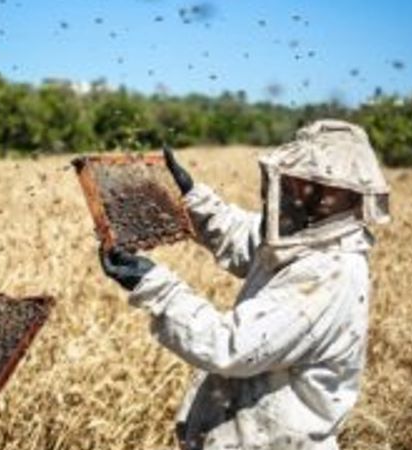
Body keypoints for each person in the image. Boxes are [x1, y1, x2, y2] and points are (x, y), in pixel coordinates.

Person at [101, 120, 391, 449]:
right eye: (302, 178)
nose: (302, 189)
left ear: (351, 193)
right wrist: (191, 197)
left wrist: (154, 285)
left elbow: (230, 347)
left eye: (320, 183)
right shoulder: (304, 235)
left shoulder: (330, 273)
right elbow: (245, 238)